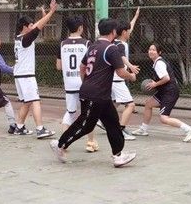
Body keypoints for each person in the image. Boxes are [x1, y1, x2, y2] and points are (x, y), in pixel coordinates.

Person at [50, 18, 137, 167]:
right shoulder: (111, 48)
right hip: (96, 94)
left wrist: (86, 83)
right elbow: (121, 72)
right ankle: (60, 144)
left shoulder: (93, 47)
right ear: (113, 32)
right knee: (86, 125)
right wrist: (131, 76)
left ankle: (118, 155)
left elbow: (82, 67)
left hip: (100, 95)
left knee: (113, 123)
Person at [131, 43, 191, 142]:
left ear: (159, 52)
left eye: (154, 50)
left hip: (170, 92)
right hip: (164, 91)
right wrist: (155, 83)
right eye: (150, 49)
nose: (151, 51)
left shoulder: (159, 63)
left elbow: (166, 78)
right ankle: (143, 129)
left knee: (164, 118)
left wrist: (155, 84)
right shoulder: (157, 62)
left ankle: (189, 129)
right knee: (148, 104)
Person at [13, 0, 57, 139]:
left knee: (27, 102)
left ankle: (19, 127)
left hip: (19, 75)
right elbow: (37, 28)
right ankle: (40, 129)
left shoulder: (19, 38)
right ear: (24, 27)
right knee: (35, 100)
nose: (33, 27)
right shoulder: (25, 39)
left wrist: (44, 16)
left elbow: (37, 27)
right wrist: (51, 12)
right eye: (31, 25)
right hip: (26, 75)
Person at [55, 15, 99, 152]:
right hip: (84, 84)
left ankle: (63, 143)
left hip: (69, 84)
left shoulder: (62, 44)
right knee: (88, 114)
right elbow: (91, 64)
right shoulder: (87, 44)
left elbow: (59, 66)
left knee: (70, 113)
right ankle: (90, 142)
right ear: (80, 28)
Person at [111, 9, 141, 140]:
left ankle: (102, 120)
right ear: (124, 32)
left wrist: (136, 16)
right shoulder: (121, 45)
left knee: (114, 103)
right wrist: (131, 67)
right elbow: (122, 57)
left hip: (112, 79)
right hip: (118, 79)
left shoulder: (115, 42)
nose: (130, 32)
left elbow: (130, 27)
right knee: (130, 105)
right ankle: (120, 130)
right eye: (128, 31)